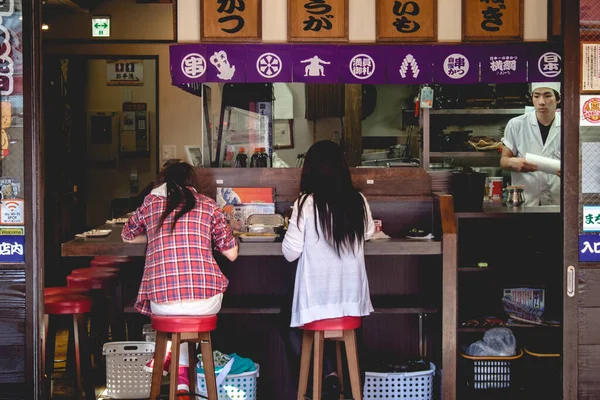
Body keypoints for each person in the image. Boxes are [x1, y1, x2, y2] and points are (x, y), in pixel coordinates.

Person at [121, 161, 238, 397]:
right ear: (192, 183)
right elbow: (231, 254)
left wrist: (155, 235)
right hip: (204, 300)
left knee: (176, 319)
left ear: (162, 184)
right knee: (187, 317)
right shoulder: (208, 204)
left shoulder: (151, 203)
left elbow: (127, 235)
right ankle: (181, 378)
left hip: (163, 302)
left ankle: (177, 374)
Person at [281, 140, 375, 399]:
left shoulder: (306, 204)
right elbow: (369, 232)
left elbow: (289, 254)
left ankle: (320, 380)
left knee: (285, 318)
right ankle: (340, 379)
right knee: (350, 332)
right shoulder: (358, 201)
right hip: (351, 304)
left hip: (317, 304)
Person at [500, 82, 561, 206]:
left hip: (559, 202)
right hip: (525, 200)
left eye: (547, 96)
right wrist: (513, 162)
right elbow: (504, 161)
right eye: (536, 96)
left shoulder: (569, 124)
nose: (541, 102)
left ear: (558, 98)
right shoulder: (516, 125)